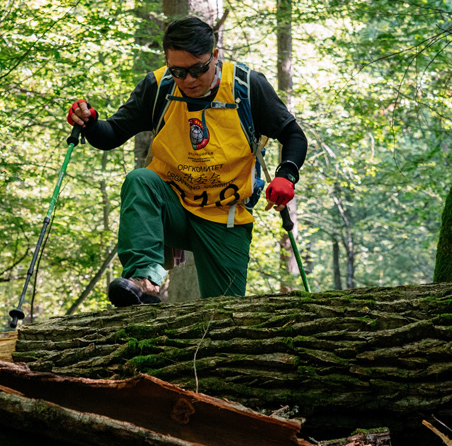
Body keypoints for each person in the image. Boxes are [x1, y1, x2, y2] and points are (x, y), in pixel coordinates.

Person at [68, 17, 307, 307]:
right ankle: (143, 281)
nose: (189, 80)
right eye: (178, 71)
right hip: (172, 208)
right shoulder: (159, 87)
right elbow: (111, 134)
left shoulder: (246, 86)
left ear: (215, 56)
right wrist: (91, 123)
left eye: (198, 69)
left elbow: (293, 135)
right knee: (140, 180)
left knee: (222, 316)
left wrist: (286, 175)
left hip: (225, 219)